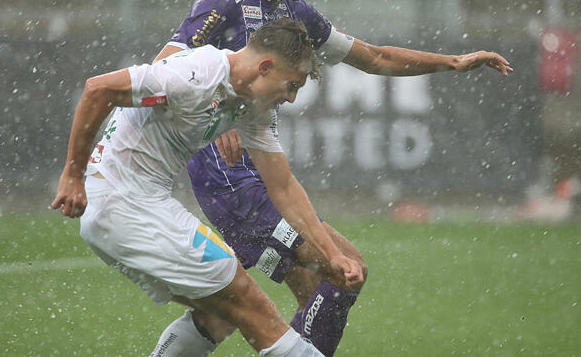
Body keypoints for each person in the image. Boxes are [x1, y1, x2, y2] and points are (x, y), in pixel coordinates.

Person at [152, 0, 514, 355]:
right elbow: (162, 69)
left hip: (257, 179)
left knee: (230, 311)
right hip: (231, 183)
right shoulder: (224, 0)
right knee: (341, 272)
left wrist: (452, 62)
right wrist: (212, 113)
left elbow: (374, 58)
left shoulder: (295, 14)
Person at [51, 18, 363, 356]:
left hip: (127, 208)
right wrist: (72, 175)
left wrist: (331, 254)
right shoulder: (196, 76)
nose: (289, 99)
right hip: (126, 206)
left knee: (221, 314)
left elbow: (283, 187)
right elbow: (99, 89)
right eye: (292, 85)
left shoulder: (249, 108)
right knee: (250, 305)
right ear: (265, 66)